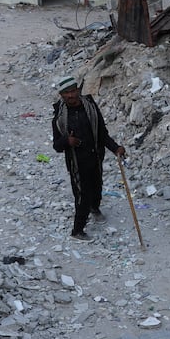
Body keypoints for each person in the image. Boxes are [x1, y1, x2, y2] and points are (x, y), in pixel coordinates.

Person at [51, 75, 125, 241]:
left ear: (78, 90)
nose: (70, 95)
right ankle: (77, 230)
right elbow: (57, 146)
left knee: (97, 186)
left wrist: (116, 148)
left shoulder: (90, 107)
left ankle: (95, 208)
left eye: (72, 91)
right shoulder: (59, 118)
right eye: (66, 93)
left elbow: (102, 133)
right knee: (82, 195)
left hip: (95, 157)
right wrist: (67, 141)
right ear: (61, 96)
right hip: (77, 162)